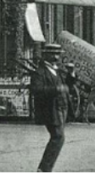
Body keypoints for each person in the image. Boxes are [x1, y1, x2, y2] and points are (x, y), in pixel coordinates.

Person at [30, 43, 70, 172]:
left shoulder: (56, 70)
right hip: (51, 109)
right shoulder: (40, 72)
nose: (56, 56)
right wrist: (55, 89)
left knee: (58, 137)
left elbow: (68, 85)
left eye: (58, 53)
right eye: (53, 54)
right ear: (45, 55)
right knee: (58, 137)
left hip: (61, 108)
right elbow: (36, 89)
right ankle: (44, 169)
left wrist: (72, 73)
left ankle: (45, 168)